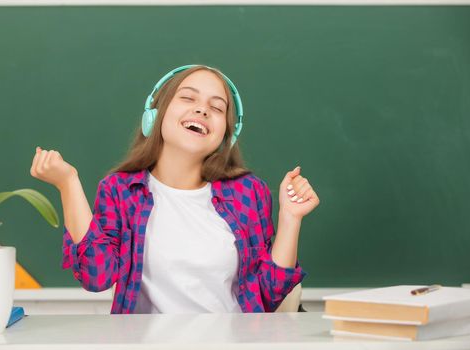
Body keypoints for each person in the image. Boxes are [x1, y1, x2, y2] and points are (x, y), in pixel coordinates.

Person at [30, 64, 320, 314]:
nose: (202, 109)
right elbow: (97, 276)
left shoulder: (248, 191)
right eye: (187, 98)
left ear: (226, 136)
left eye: (217, 107)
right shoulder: (120, 190)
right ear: (154, 116)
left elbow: (269, 295)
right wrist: (68, 183)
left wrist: (290, 219)